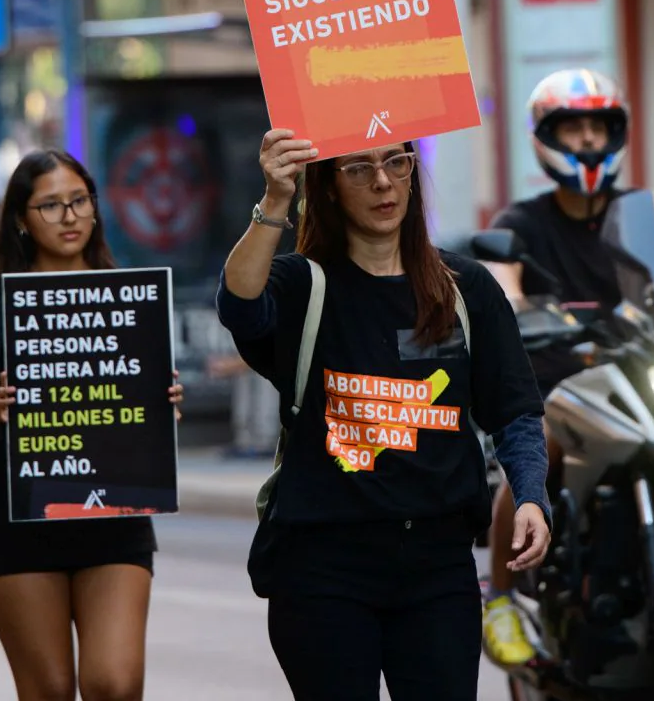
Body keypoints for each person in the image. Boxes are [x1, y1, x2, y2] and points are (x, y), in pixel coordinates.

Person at [220, 133, 550, 701]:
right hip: (323, 569)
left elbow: (515, 411)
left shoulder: (465, 289)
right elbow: (241, 306)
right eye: (358, 168)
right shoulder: (305, 287)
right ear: (328, 186)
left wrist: (530, 495)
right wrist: (275, 200)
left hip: (439, 568)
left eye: (396, 162)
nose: (381, 182)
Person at [476, 68, 654, 668]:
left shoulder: (651, 216)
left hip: (649, 373)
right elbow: (505, 288)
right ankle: (499, 597)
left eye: (597, 126)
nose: (585, 139)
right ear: (547, 136)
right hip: (565, 381)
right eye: (572, 127)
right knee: (537, 452)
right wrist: (516, 310)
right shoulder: (522, 223)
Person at [0, 149, 184, 701]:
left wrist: (161, 399)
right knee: (48, 689)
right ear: (21, 220)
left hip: (113, 521)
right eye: (49, 206)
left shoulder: (129, 295)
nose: (69, 216)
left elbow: (138, 405)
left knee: (114, 684)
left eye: (78, 201)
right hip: (15, 529)